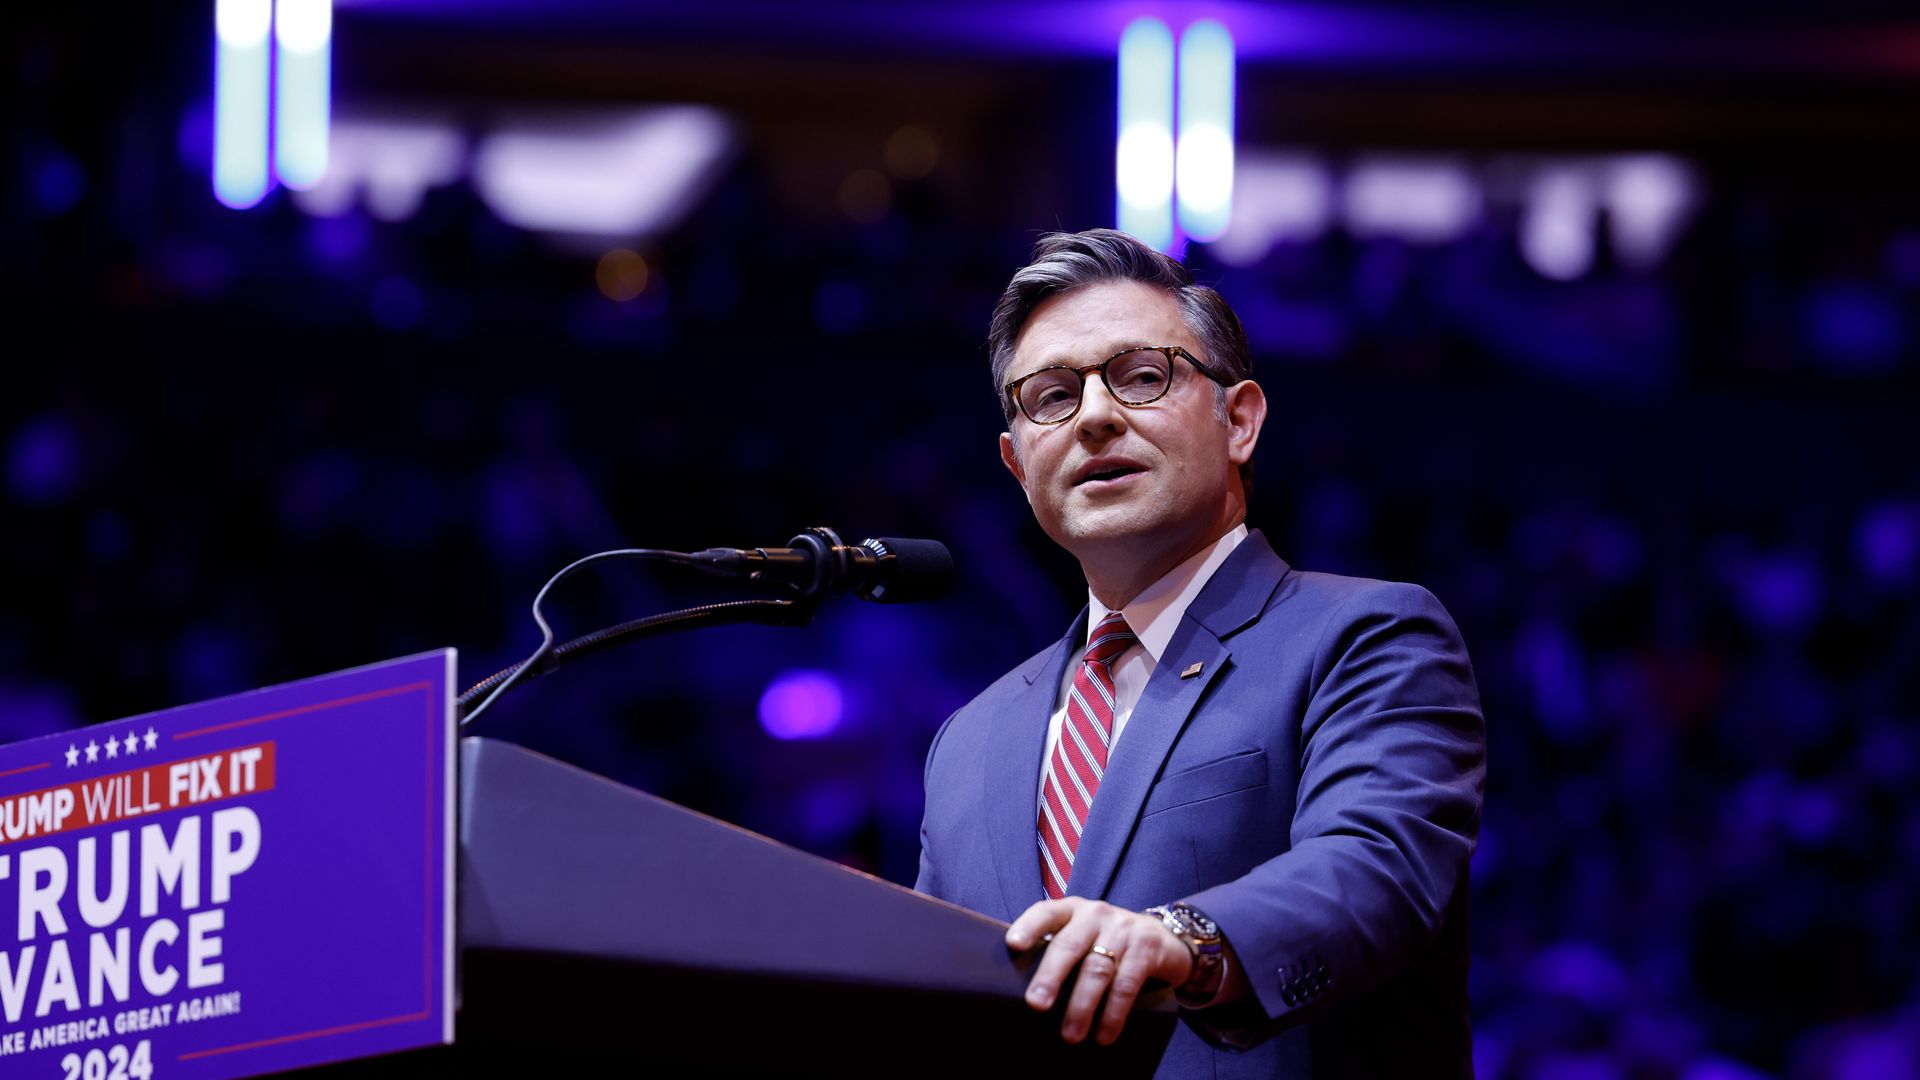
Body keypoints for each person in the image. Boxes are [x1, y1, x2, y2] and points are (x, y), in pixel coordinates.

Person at [915, 228, 1487, 1077]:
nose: (1097, 416)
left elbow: (1377, 866)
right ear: (1016, 463)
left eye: (1142, 377)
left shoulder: (1364, 637)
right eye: (1051, 396)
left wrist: (1180, 941)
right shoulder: (968, 739)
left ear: (1241, 420)